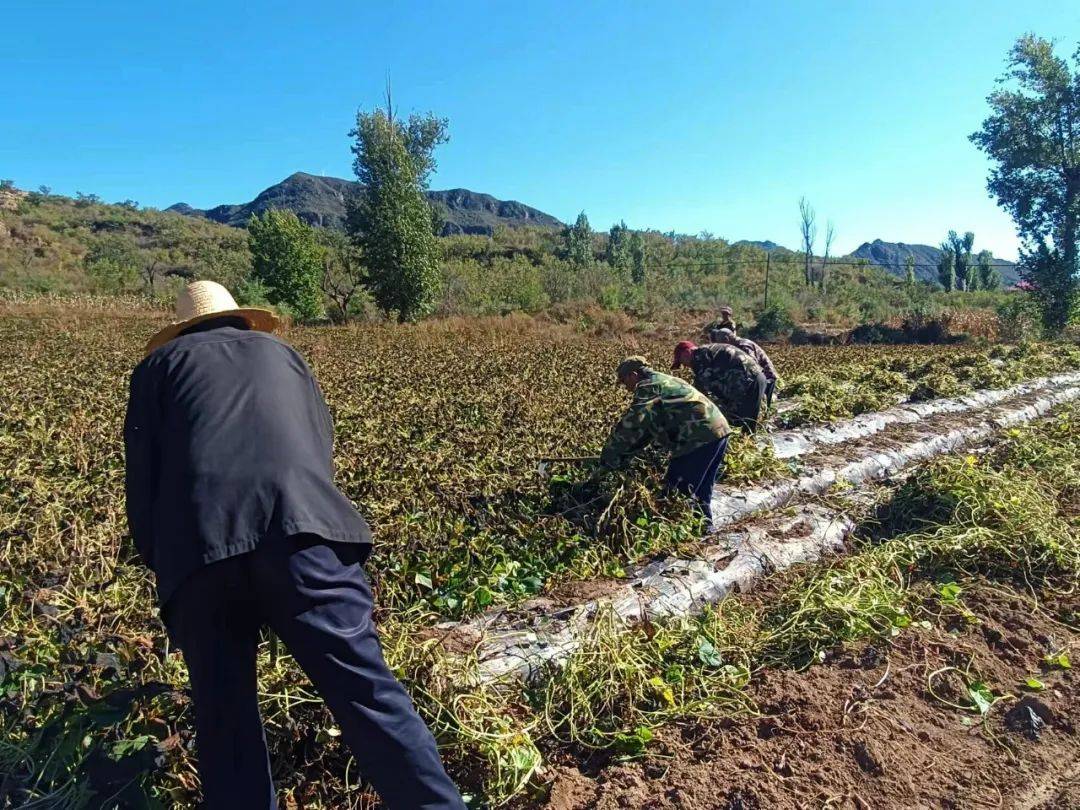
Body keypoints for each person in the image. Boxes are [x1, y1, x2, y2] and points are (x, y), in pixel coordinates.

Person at [124, 281, 465, 810]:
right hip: (305, 535)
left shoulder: (158, 369)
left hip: (200, 551)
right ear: (240, 320)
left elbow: (142, 485)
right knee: (368, 695)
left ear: (183, 328)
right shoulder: (284, 355)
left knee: (225, 721)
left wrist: (170, 566)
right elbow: (317, 443)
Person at [593, 356, 730, 524]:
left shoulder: (648, 387)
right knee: (700, 493)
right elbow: (649, 429)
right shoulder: (665, 380)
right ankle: (705, 532)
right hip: (718, 432)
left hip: (697, 438)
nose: (626, 388)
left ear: (633, 375)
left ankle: (679, 539)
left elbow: (632, 425)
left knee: (674, 495)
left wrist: (608, 456)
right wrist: (629, 454)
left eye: (623, 381)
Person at [672, 339, 768, 432]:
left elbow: (701, 390)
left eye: (682, 361)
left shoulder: (700, 356)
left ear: (686, 353)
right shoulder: (708, 351)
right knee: (747, 424)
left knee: (742, 424)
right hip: (755, 378)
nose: (684, 366)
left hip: (748, 384)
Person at [710, 327, 780, 407]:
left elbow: (753, 366)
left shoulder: (743, 345)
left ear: (726, 339)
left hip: (768, 379)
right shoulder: (736, 346)